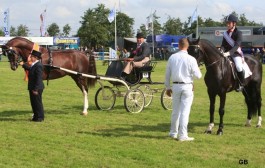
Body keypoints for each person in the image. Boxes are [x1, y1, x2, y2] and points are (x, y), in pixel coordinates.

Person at [165, 38, 202, 141]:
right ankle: (182, 135)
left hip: (175, 86)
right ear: (188, 46)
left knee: (175, 111)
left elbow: (167, 74)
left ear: (178, 46)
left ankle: (173, 132)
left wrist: (167, 87)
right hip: (187, 86)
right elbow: (198, 76)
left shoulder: (172, 57)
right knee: (185, 111)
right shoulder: (191, 59)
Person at [220, 14, 245, 92]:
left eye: (229, 23)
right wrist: (221, 50)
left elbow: (237, 46)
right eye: (227, 23)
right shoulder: (225, 34)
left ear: (234, 23)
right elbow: (223, 45)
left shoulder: (239, 33)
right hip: (226, 53)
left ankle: (241, 84)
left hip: (235, 53)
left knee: (238, 67)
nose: (227, 24)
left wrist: (229, 53)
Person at [20, 50, 45, 122]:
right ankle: (35, 117)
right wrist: (23, 65)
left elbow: (38, 78)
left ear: (36, 57)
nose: (30, 57)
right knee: (33, 103)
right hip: (32, 86)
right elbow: (30, 70)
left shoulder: (39, 65)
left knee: (37, 103)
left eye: (32, 56)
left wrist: (36, 89)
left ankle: (40, 117)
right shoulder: (34, 64)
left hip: (36, 87)